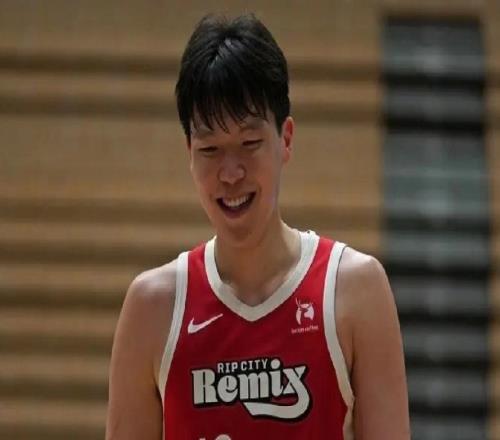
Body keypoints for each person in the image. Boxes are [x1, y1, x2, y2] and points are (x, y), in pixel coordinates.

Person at [106, 13, 410, 440]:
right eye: (210, 149)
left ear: (286, 139)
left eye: (249, 144)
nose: (231, 173)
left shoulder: (355, 291)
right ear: (189, 152)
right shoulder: (152, 308)